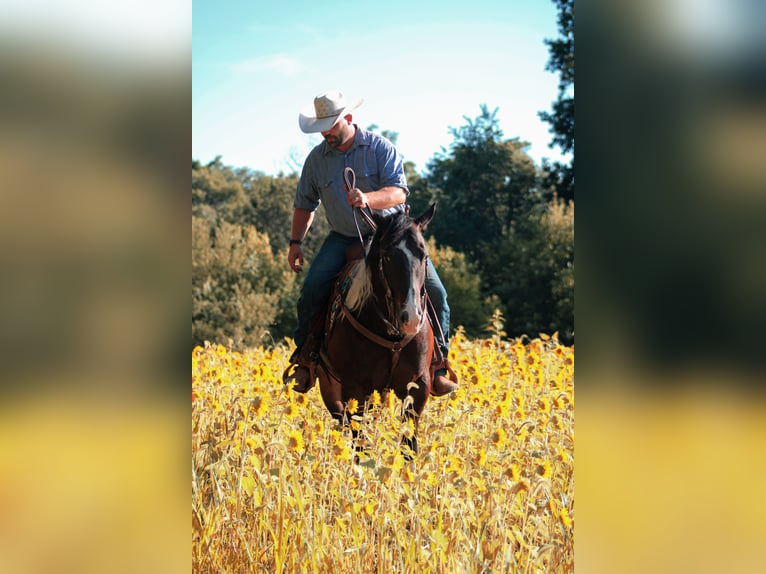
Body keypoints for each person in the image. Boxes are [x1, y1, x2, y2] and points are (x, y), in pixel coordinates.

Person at [282, 90, 458, 396]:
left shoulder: (379, 147)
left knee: (437, 292)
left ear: (348, 119)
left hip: (390, 235)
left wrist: (368, 199)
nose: (325, 133)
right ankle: (306, 360)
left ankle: (438, 365)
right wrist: (296, 241)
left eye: (331, 126)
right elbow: (304, 205)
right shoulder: (316, 161)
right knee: (312, 288)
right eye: (321, 128)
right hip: (343, 236)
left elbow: (399, 193)